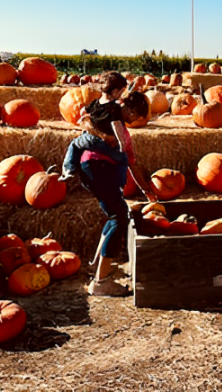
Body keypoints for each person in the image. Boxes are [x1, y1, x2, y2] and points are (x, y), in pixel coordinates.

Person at [62, 72, 155, 296]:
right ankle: (101, 282)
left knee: (114, 214)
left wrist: (147, 192)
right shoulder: (116, 125)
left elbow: (131, 164)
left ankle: (97, 266)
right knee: (119, 217)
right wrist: (148, 192)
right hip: (98, 169)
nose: (136, 123)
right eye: (136, 118)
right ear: (131, 110)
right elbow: (129, 160)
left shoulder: (107, 117)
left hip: (91, 169)